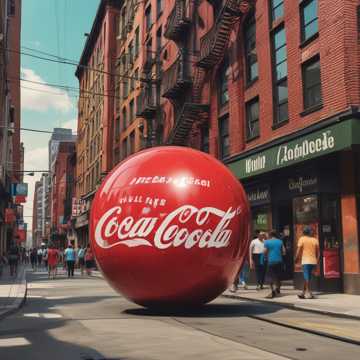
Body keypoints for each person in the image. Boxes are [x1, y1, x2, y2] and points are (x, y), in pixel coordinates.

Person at [295, 226, 320, 299]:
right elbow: (318, 253)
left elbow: (298, 250)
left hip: (305, 261)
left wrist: (296, 258)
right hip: (313, 261)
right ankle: (303, 293)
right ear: (309, 232)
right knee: (307, 277)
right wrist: (317, 261)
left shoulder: (302, 239)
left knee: (307, 278)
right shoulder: (315, 240)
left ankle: (308, 292)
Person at [264, 230, 286, 299]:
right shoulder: (280, 241)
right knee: (278, 276)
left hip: (271, 261)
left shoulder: (267, 242)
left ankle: (273, 290)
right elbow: (284, 252)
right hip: (279, 261)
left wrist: (266, 257)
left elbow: (264, 252)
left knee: (270, 276)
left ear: (270, 235)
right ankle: (278, 288)